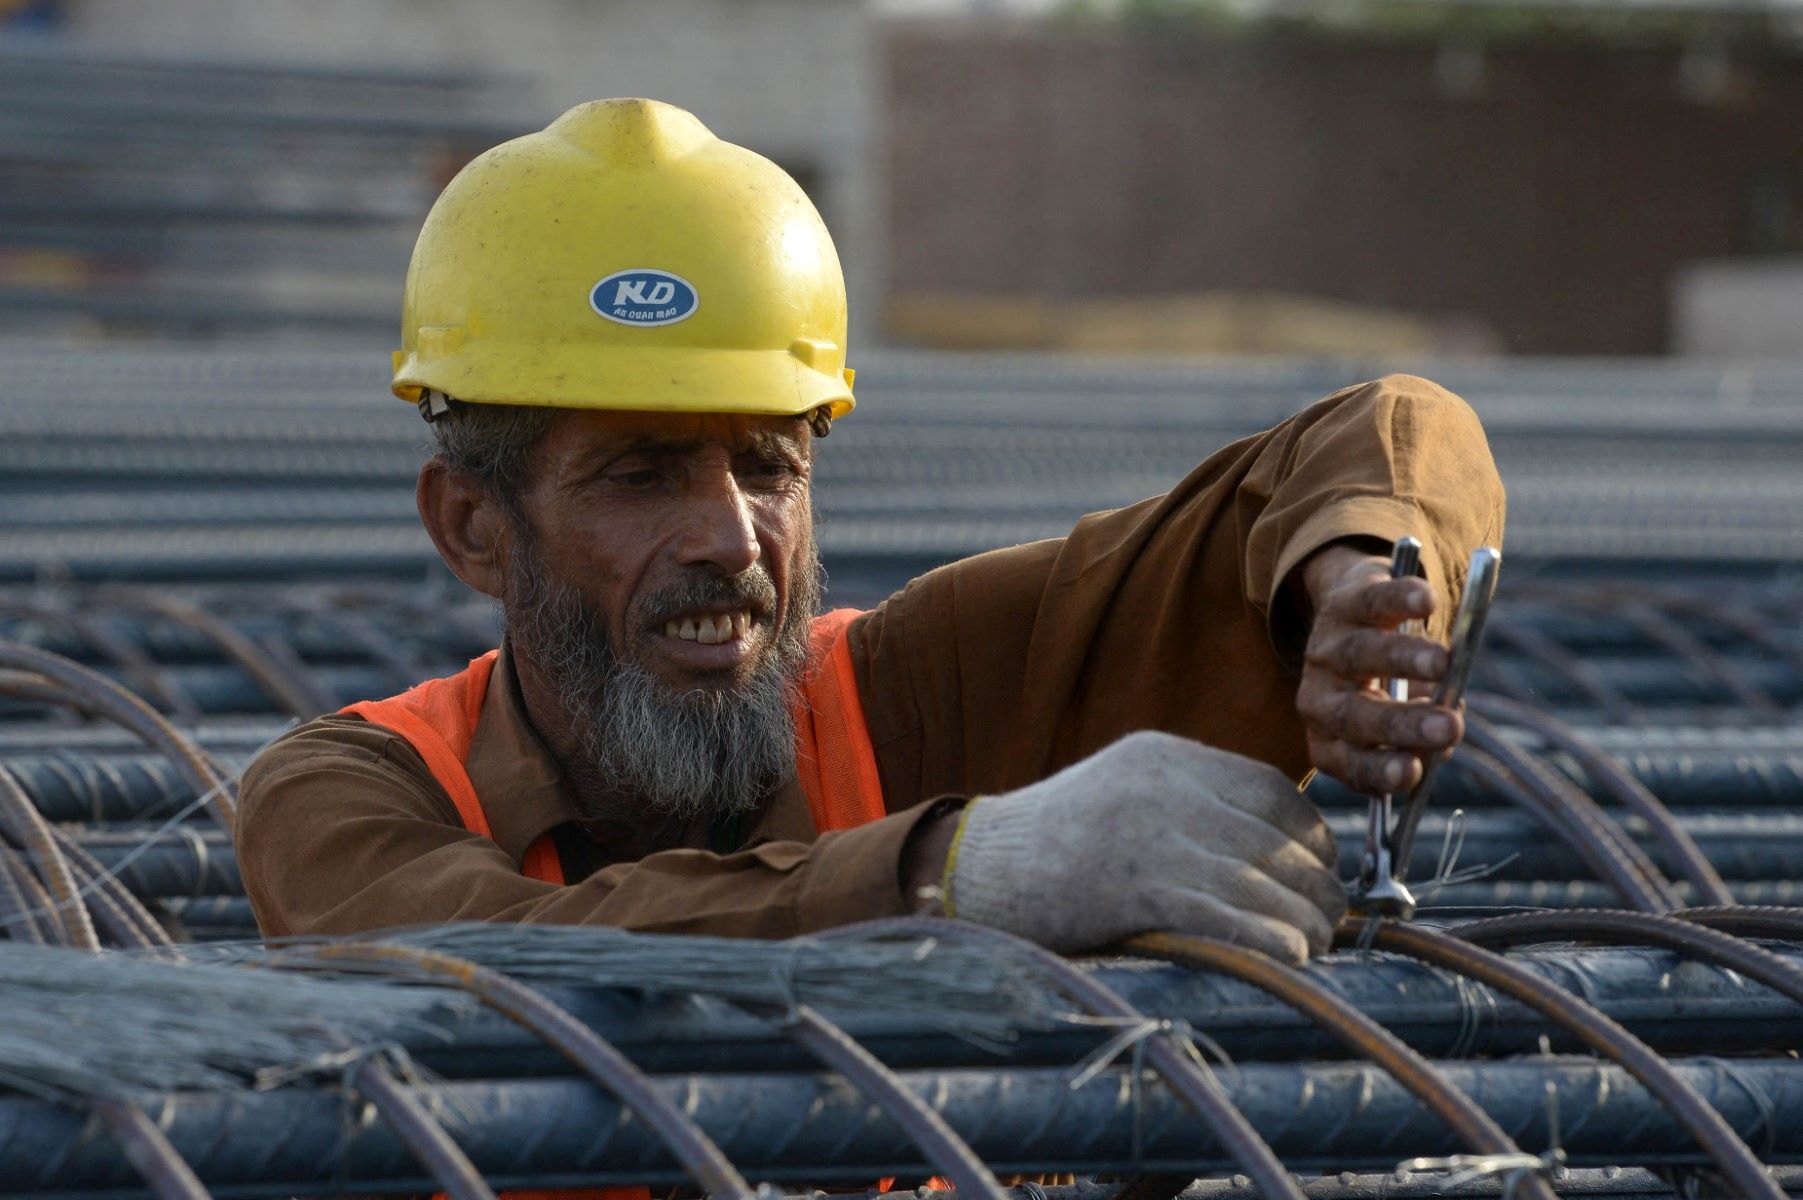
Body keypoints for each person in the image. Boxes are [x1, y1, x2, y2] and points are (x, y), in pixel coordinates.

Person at [236, 98, 1504, 964]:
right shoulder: (343, 797)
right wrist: (950, 876)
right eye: (641, 474)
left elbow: (1389, 429)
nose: (730, 538)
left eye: (769, 467)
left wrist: (1353, 583)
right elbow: (496, 957)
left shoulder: (907, 690)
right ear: (473, 528)